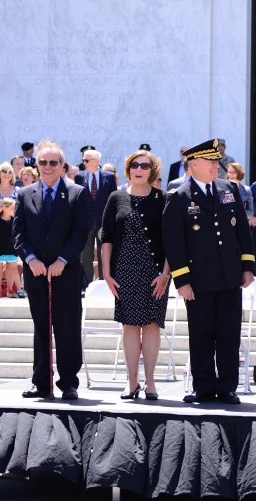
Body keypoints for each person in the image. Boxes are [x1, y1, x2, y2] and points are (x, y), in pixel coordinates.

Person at [163, 138, 255, 405]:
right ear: (194, 164)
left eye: (217, 160)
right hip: (199, 279)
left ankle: (227, 386)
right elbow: (174, 242)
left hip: (229, 276)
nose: (217, 165)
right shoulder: (179, 196)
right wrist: (181, 280)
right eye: (211, 161)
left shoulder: (229, 189)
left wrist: (247, 267)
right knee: (201, 333)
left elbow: (242, 232)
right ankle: (203, 386)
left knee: (228, 332)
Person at [13, 139, 92, 400]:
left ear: (62, 165)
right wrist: (31, 259)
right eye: (43, 162)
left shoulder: (77, 193)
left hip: (65, 273)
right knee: (41, 329)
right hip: (36, 274)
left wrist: (63, 260)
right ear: (36, 165)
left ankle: (68, 381)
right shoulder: (24, 194)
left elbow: (81, 232)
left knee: (67, 328)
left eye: (53, 162)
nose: (48, 167)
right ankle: (41, 381)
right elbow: (18, 234)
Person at [101, 151, 170, 401]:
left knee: (152, 324)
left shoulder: (163, 199)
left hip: (155, 271)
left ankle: (150, 382)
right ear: (128, 169)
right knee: (130, 324)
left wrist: (165, 274)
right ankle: (132, 382)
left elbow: (171, 241)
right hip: (124, 270)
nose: (139, 169)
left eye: (144, 165)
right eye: (134, 165)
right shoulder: (116, 197)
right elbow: (106, 236)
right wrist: (106, 273)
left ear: (153, 170)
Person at [75, 149, 117, 283]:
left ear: (97, 161)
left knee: (104, 253)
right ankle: (87, 284)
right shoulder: (79, 177)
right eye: (83, 160)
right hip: (85, 222)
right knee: (86, 255)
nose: (84, 163)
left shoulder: (109, 177)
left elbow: (113, 199)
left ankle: (105, 283)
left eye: (87, 160)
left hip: (104, 222)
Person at [0, 198, 23, 298]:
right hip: (0, 247)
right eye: (12, 208)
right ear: (4, 208)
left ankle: (19, 290)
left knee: (14, 269)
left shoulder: (14, 219)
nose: (14, 210)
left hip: (11, 247)